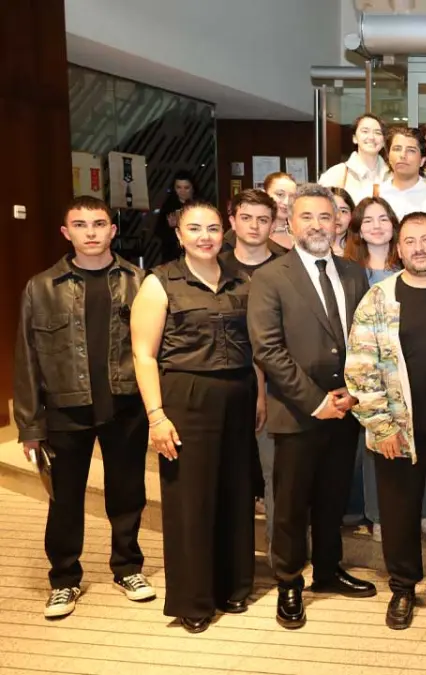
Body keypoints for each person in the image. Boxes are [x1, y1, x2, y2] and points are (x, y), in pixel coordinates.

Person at [14, 196, 153, 620]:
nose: (90, 232)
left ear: (113, 229)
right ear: (66, 232)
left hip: (126, 404)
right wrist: (29, 424)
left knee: (127, 493)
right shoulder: (41, 287)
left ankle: (127, 568)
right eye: (80, 224)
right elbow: (27, 358)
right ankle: (64, 578)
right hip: (65, 409)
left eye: (98, 223)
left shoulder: (139, 282)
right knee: (65, 499)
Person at [248, 183, 376, 631]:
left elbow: (365, 340)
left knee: (332, 497)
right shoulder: (271, 277)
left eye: (325, 216)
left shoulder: (354, 273)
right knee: (289, 504)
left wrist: (353, 393)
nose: (317, 225)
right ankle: (288, 581)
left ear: (338, 222)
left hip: (345, 408)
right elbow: (268, 349)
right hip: (297, 410)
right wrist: (315, 400)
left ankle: (327, 569)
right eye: (307, 217)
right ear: (290, 223)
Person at [130, 201, 255, 634]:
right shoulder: (160, 282)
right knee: (190, 500)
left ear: (224, 233)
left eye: (213, 228)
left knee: (235, 492)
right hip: (186, 397)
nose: (206, 237)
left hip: (239, 395)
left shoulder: (242, 279)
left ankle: (234, 585)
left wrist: (258, 396)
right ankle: (194, 599)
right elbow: (143, 355)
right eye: (195, 229)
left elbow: (255, 344)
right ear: (179, 235)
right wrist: (156, 416)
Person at [345, 211, 426, 630]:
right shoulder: (378, 298)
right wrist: (381, 425)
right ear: (399, 248)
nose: (419, 248)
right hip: (396, 430)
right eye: (410, 241)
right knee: (398, 514)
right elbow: (361, 367)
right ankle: (403, 587)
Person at [218, 189, 281, 542]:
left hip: (278, 383)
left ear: (273, 224)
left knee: (276, 474)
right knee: (232, 473)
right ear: (232, 221)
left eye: (262, 219)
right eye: (246, 218)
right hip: (227, 379)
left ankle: (280, 557)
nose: (254, 226)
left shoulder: (288, 265)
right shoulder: (215, 264)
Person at [340, 196, 403, 539]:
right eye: (368, 220)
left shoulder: (407, 265)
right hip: (362, 366)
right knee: (367, 441)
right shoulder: (348, 271)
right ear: (358, 230)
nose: (376, 226)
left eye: (383, 219)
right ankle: (370, 512)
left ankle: (396, 512)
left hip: (401, 367)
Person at [377, 126, 426, 230]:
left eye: (411, 150)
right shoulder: (375, 194)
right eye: (397, 149)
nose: (402, 155)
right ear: (388, 156)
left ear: (422, 160)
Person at [318, 112, 391, 204]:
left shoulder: (393, 175)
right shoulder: (335, 174)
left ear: (383, 141)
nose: (371, 137)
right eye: (365, 131)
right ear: (355, 138)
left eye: (377, 132)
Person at [152, 170, 196, 264]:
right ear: (174, 188)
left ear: (192, 188)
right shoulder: (169, 206)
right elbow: (159, 231)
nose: (182, 191)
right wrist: (171, 227)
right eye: (178, 187)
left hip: (196, 251)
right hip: (173, 255)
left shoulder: (200, 205)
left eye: (186, 188)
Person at [263, 171, 298, 251]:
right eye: (280, 194)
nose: (286, 202)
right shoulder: (251, 231)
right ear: (264, 195)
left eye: (292, 196)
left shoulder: (299, 234)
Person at [330, 187, 356, 256]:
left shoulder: (362, 251)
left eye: (343, 211)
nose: (337, 216)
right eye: (332, 210)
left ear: (352, 215)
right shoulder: (309, 250)